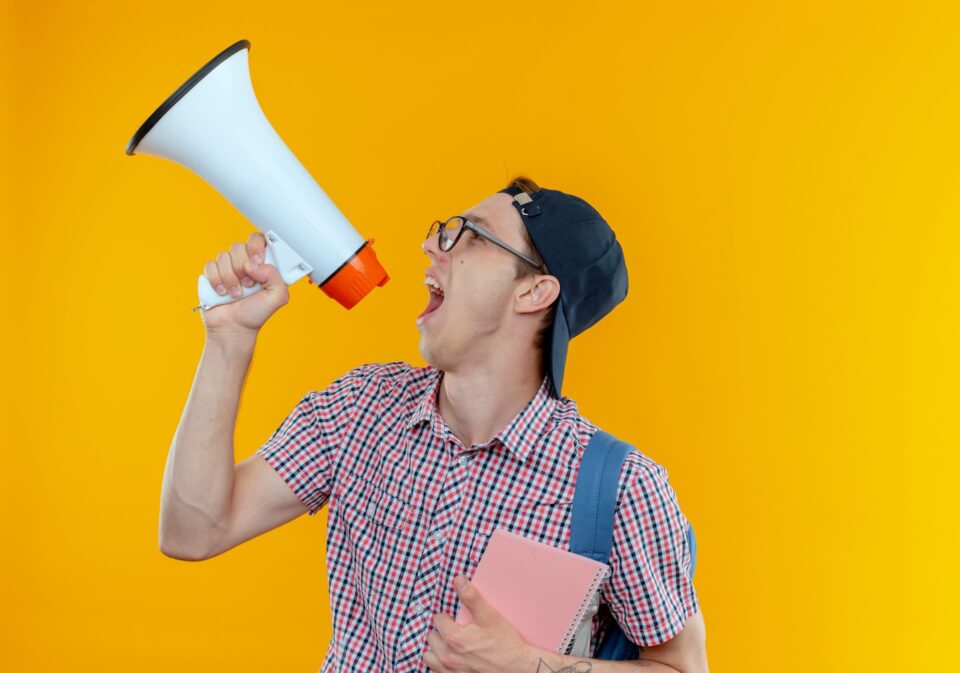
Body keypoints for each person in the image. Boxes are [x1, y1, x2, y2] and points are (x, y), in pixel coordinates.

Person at [160, 176, 709, 673]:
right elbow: (193, 532)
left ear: (534, 292)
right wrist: (229, 339)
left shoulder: (621, 489)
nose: (430, 244)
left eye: (468, 235)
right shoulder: (363, 407)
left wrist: (527, 666)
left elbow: (684, 669)